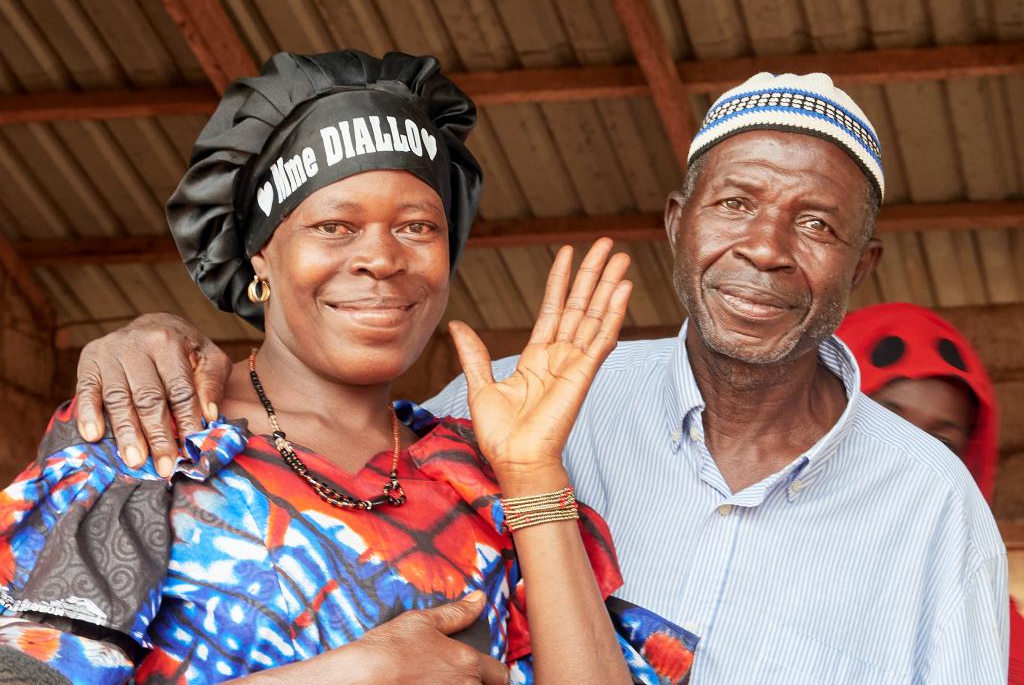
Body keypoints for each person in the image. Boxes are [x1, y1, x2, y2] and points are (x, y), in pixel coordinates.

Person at [65, 72, 1009, 682]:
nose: (764, 250)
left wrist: (533, 479)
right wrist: (147, 338)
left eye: (817, 224)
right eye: (734, 203)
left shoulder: (930, 503)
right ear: (678, 221)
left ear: (864, 264)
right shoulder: (503, 408)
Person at [0, 50, 697, 685]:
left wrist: (532, 471)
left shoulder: (472, 478)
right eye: (334, 226)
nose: (382, 258)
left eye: (418, 226)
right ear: (260, 258)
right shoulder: (150, 435)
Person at [837, 302, 1023, 684]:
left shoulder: (990, 628)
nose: (911, 456)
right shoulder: (723, 542)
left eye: (940, 444)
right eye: (882, 421)